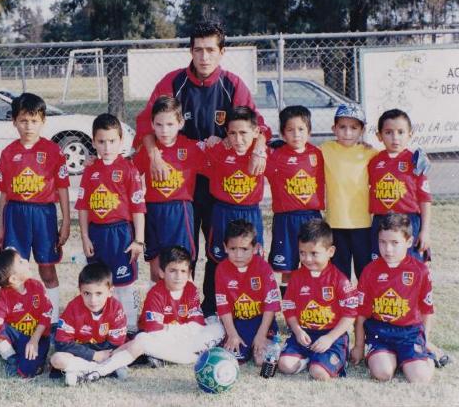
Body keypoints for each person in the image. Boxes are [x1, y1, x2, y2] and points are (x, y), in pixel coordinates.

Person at [135, 21, 271, 312]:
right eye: (198, 50)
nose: (204, 57)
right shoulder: (173, 82)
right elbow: (147, 123)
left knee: (219, 250)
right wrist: (155, 156)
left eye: (211, 50)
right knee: (180, 253)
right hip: (179, 182)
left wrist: (259, 148)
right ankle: (175, 309)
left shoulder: (232, 84)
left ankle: (212, 310)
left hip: (217, 180)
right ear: (190, 51)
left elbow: (257, 126)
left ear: (222, 52)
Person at [78, 246, 226, 381]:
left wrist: (174, 329)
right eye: (172, 271)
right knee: (141, 340)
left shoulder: (191, 290)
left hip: (183, 340)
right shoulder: (156, 293)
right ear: (161, 272)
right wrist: (180, 330)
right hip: (161, 340)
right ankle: (99, 370)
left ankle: (173, 357)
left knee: (218, 327)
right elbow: (154, 331)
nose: (178, 276)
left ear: (189, 274)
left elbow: (197, 324)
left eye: (183, 271)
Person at [0, 92, 70, 327]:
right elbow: (4, 194)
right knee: (14, 270)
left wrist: (66, 221)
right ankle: (19, 316)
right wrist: (1, 226)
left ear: (43, 121)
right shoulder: (8, 153)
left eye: (34, 120)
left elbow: (63, 188)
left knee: (47, 268)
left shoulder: (52, 151)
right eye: (23, 120)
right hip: (16, 214)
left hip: (43, 214)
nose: (29, 126)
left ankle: (53, 317)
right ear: (14, 121)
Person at [75, 113, 146, 333]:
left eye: (112, 141)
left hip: (121, 234)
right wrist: (85, 236)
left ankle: (132, 327)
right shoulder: (90, 170)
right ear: (94, 141)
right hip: (97, 234)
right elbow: (84, 207)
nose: (107, 147)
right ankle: (102, 326)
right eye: (102, 141)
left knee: (124, 283)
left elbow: (138, 208)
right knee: (97, 283)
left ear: (121, 139)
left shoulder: (128, 169)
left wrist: (139, 241)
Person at [350, 213, 435, 383]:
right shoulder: (370, 271)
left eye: (395, 243)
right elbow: (361, 314)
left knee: (420, 378)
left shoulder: (420, 271)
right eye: (383, 242)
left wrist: (424, 339)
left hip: (409, 333)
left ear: (409, 242)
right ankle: (393, 358)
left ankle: (430, 355)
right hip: (379, 333)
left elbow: (427, 310)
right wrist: (359, 346)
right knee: (382, 374)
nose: (388, 249)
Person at [200, 106, 268, 316]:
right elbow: (191, 150)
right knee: (217, 260)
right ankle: (212, 309)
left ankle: (253, 310)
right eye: (232, 133)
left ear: (255, 133)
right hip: (223, 213)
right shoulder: (218, 150)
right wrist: (209, 142)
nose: (238, 139)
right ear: (226, 133)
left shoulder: (263, 154)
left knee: (253, 261)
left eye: (244, 133)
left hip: (250, 213)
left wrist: (261, 147)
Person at [278, 219, 357, 380]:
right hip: (305, 334)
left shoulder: (340, 280)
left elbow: (349, 315)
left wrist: (330, 337)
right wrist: (298, 331)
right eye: (302, 253)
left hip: (331, 336)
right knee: (284, 365)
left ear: (331, 251)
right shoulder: (296, 278)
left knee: (319, 373)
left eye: (314, 253)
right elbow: (289, 309)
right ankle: (309, 359)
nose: (307, 259)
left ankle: (333, 360)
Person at [133, 96, 201, 283]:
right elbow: (127, 170)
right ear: (152, 125)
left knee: (182, 267)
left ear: (180, 123)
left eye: (170, 124)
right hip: (152, 211)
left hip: (179, 211)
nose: (164, 130)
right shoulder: (147, 152)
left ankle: (188, 309)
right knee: (157, 270)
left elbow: (219, 160)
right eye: (159, 124)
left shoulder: (191, 147)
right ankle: (160, 309)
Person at [265, 105, 325, 295]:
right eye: (290, 130)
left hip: (312, 218)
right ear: (282, 133)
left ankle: (312, 307)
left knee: (314, 264)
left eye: (301, 129)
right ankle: (291, 311)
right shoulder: (275, 155)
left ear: (309, 132)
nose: (296, 134)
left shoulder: (318, 154)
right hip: (286, 219)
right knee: (288, 268)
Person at [0, 248, 53, 381]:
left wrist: (34, 340)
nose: (26, 261)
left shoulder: (37, 286)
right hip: (16, 335)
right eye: (21, 262)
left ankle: (26, 358)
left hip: (37, 337)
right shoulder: (4, 296)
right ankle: (11, 357)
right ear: (14, 279)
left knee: (29, 371)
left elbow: (47, 313)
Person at [320, 103, 378, 282]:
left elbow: (391, 163)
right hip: (335, 222)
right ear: (334, 128)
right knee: (339, 272)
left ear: (362, 130)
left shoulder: (370, 153)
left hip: (362, 223)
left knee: (365, 270)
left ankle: (365, 307)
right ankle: (343, 308)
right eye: (342, 127)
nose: (348, 132)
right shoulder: (325, 149)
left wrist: (414, 158)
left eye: (354, 128)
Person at [368, 109, 432, 262]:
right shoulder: (373, 161)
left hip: (408, 220)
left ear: (410, 134)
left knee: (410, 264)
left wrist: (425, 230)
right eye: (389, 132)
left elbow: (425, 199)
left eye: (401, 132)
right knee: (381, 263)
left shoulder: (416, 161)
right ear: (379, 136)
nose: (395, 137)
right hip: (381, 220)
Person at [50, 262, 128, 386]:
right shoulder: (73, 308)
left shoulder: (116, 308)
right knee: (56, 359)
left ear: (110, 291)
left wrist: (103, 355)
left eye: (99, 293)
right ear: (80, 291)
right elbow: (62, 343)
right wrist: (93, 355)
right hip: (79, 352)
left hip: (105, 352)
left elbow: (117, 343)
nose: (93, 300)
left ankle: (80, 371)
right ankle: (104, 370)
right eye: (87, 293)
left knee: (133, 346)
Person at [215, 219, 281, 365]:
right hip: (237, 323)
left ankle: (271, 342)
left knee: (261, 360)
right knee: (234, 359)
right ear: (225, 247)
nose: (238, 255)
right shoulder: (221, 270)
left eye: (244, 249)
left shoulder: (263, 268)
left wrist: (261, 334)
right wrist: (232, 335)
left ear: (255, 248)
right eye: (233, 249)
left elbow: (271, 306)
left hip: (261, 321)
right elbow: (223, 307)